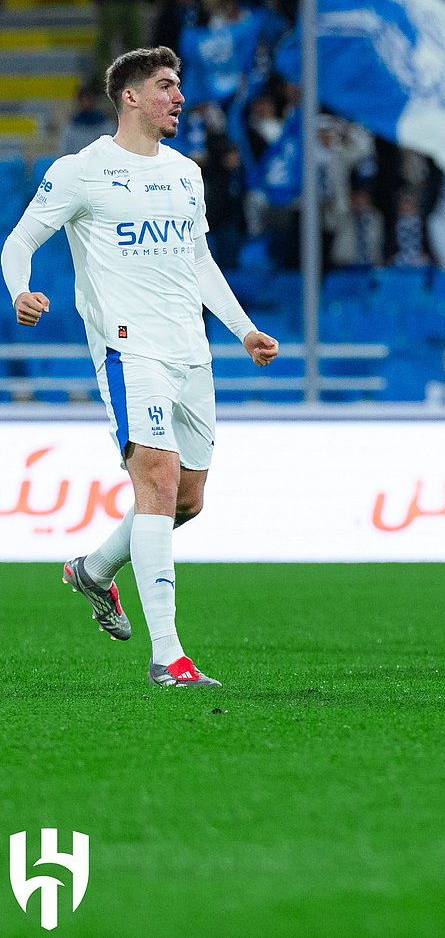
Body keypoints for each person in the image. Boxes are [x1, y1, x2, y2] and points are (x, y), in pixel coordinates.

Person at [0, 47, 279, 688]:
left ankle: (93, 571)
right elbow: (19, 241)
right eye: (166, 86)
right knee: (155, 482)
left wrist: (244, 331)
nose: (179, 97)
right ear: (130, 97)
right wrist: (20, 290)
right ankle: (169, 658)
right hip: (130, 352)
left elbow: (197, 261)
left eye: (178, 86)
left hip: (193, 353)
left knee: (187, 500)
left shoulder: (186, 174)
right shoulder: (81, 171)